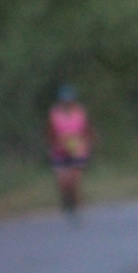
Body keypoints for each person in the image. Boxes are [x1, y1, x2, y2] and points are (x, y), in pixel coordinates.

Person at [46, 85, 95, 214]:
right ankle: (66, 199)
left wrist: (88, 143)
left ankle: (75, 203)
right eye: (64, 101)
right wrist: (52, 144)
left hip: (77, 149)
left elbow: (87, 129)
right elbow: (50, 131)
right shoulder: (54, 113)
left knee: (74, 178)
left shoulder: (80, 112)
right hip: (59, 149)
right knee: (62, 180)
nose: (67, 104)